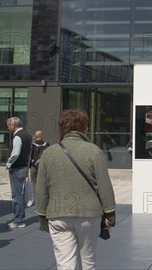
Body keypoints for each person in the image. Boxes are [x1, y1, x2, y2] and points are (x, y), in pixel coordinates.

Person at [35, 108, 116, 270]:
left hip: (58, 214)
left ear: (62, 128)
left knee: (65, 264)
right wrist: (110, 214)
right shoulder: (94, 151)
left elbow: (41, 188)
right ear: (84, 127)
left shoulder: (49, 153)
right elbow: (104, 186)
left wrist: (42, 217)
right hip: (89, 214)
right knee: (88, 262)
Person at [5, 116, 33, 229]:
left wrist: (8, 163)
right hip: (24, 167)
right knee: (20, 194)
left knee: (17, 195)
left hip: (17, 168)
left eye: (8, 126)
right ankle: (19, 218)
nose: (7, 128)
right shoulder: (28, 135)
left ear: (14, 125)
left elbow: (15, 153)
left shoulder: (18, 137)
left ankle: (19, 220)